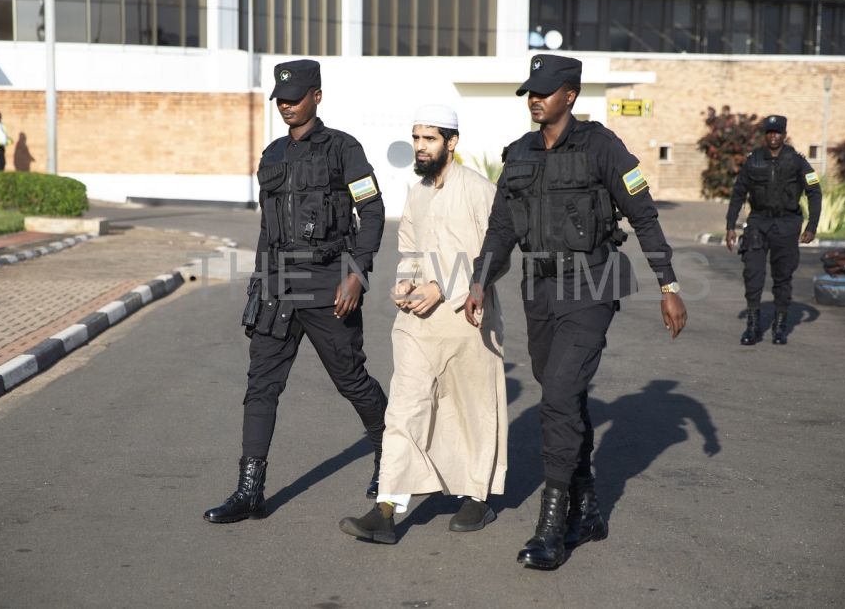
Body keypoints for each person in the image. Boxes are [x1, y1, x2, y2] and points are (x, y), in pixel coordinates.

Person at [464, 54, 687, 570]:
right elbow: (501, 228)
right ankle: (588, 508)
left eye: (545, 90)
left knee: (559, 395)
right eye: (530, 92)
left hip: (592, 285)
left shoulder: (602, 147)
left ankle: (552, 527)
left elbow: (643, 214)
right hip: (539, 290)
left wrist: (668, 284)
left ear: (570, 94)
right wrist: (479, 280)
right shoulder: (518, 154)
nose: (534, 98)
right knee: (559, 393)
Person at [204, 59, 388, 524]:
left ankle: (392, 458)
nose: (286, 105)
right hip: (277, 287)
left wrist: (356, 274)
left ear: (317, 96)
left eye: (295, 97)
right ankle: (250, 491)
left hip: (330, 283)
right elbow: (269, 229)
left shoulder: (345, 149)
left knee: (350, 379)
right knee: (260, 385)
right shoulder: (272, 155)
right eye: (281, 99)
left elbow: (374, 213)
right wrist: (258, 282)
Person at [337, 105, 508, 544]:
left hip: (468, 319)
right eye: (416, 138)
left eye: (429, 139)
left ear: (451, 142)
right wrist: (407, 284)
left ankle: (477, 497)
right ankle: (387, 510)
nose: (420, 147)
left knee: (474, 410)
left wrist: (445, 286)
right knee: (404, 408)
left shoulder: (479, 189)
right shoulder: (415, 192)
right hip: (417, 323)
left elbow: (498, 253)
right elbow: (410, 246)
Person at [726, 115, 821, 346]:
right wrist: (730, 226)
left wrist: (811, 226)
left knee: (783, 276)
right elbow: (738, 193)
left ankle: (779, 327)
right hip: (758, 222)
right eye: (769, 132)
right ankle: (753, 325)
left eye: (777, 132)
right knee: (753, 275)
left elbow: (814, 192)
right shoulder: (754, 160)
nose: (772, 136)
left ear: (784, 134)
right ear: (764, 134)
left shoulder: (797, 160)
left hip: (787, 224)